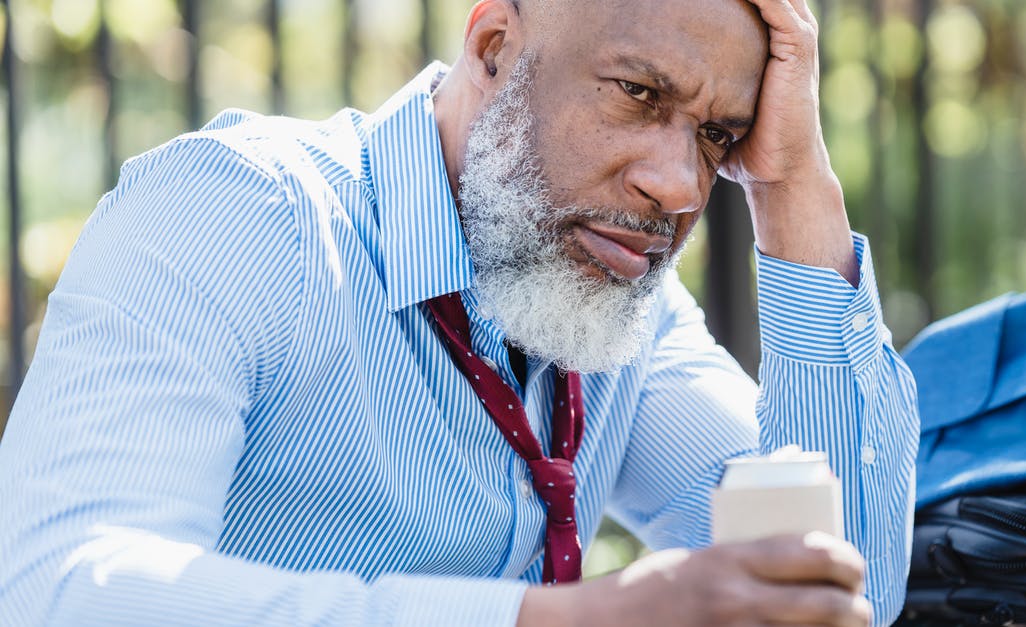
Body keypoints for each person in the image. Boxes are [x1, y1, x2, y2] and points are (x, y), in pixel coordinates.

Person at [0, 0, 919, 625]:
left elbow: (845, 585)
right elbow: (64, 589)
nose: (678, 186)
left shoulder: (622, 314)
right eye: (638, 94)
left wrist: (794, 183)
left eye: (717, 137)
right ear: (493, 48)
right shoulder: (236, 213)